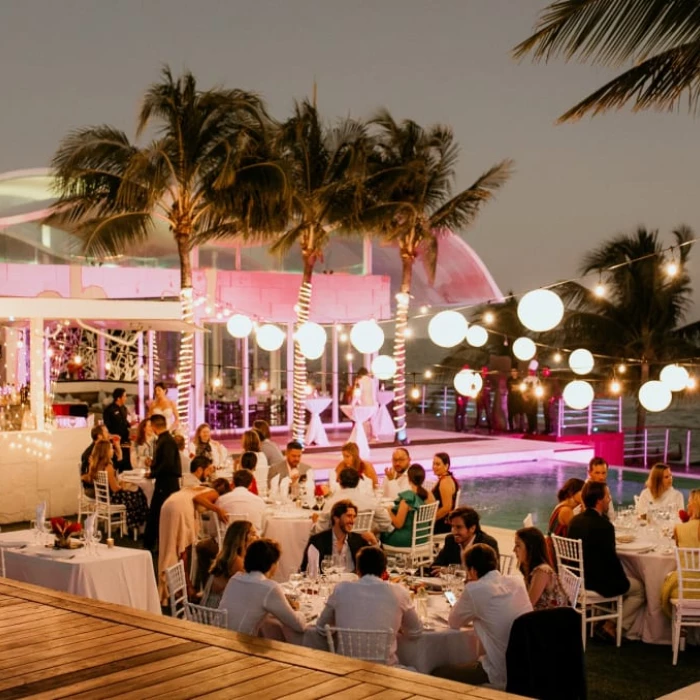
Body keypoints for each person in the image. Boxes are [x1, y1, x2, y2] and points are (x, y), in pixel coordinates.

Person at [432, 543, 533, 689]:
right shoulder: (516, 581)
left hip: (499, 670)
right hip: (527, 667)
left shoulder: (475, 589)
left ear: (472, 570)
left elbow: (454, 622)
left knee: (436, 673)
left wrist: (469, 589)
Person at [315, 546, 423, 665]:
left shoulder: (341, 589)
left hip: (345, 669)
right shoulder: (399, 592)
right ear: (384, 571)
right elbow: (415, 632)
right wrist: (398, 627)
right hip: (386, 671)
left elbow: (321, 628)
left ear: (357, 570)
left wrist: (343, 625)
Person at [568, 481, 645, 639]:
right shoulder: (604, 526)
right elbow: (611, 561)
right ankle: (612, 625)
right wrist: (623, 579)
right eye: (607, 496)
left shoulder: (575, 521)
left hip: (577, 579)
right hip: (596, 582)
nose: (610, 499)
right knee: (639, 590)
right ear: (599, 500)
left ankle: (601, 622)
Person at [157, 476, 230, 602]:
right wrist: (217, 509)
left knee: (169, 547)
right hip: (180, 509)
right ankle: (185, 588)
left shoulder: (196, 487)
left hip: (168, 505)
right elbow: (197, 498)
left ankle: (177, 587)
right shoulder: (213, 493)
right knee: (183, 550)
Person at [218, 538, 306, 639]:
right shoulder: (269, 587)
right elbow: (299, 625)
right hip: (240, 645)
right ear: (272, 564)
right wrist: (300, 612)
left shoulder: (235, 579)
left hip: (218, 637)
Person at [82, 440, 148, 531]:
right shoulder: (108, 466)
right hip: (112, 498)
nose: (113, 450)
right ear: (105, 451)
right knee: (138, 493)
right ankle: (136, 526)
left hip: (103, 497)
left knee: (135, 491)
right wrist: (124, 486)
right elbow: (115, 488)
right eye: (111, 448)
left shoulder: (95, 465)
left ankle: (134, 525)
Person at [313, 467, 393, 535]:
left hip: (337, 548)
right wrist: (371, 530)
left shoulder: (331, 503)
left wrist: (315, 522)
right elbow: (386, 522)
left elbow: (320, 531)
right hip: (363, 546)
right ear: (358, 482)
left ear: (339, 481)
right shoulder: (369, 500)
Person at [143, 413, 182, 551]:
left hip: (167, 483)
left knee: (157, 512)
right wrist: (153, 465)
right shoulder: (166, 441)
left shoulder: (166, 441)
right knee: (158, 512)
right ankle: (155, 542)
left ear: (154, 426)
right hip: (165, 481)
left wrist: (153, 472)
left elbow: (167, 464)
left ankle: (152, 543)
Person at [201, 520, 257, 608]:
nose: (257, 537)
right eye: (253, 534)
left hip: (217, 607)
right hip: (217, 614)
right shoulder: (237, 562)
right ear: (242, 539)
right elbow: (251, 589)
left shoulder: (229, 556)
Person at [300, 500, 366, 574]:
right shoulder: (317, 541)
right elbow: (305, 570)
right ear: (336, 518)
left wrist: (375, 542)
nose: (352, 521)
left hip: (353, 584)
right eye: (349, 516)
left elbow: (375, 565)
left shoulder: (359, 540)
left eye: (354, 517)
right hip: (327, 584)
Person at [513, 527, 569, 610]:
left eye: (518, 545)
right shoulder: (527, 567)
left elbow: (528, 604)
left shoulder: (542, 571)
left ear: (530, 548)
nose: (514, 550)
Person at [381, 464, 434, 548]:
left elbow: (398, 524)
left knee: (380, 535)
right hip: (423, 538)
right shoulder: (429, 495)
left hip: (407, 540)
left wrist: (389, 511)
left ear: (408, 478)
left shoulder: (408, 498)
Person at [432, 507, 500, 570]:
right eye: (452, 526)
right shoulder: (450, 540)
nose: (454, 531)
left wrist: (452, 572)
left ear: (472, 528)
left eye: (459, 527)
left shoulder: (487, 543)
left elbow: (491, 576)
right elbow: (434, 567)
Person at [102, 387, 131, 471]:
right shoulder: (109, 410)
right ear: (118, 398)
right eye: (124, 396)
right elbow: (107, 426)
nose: (126, 398)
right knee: (116, 462)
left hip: (125, 440)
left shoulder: (124, 409)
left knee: (125, 461)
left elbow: (125, 422)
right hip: (114, 441)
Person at [431, 452, 459, 534]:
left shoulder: (445, 482)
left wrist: (430, 519)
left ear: (446, 466)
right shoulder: (445, 478)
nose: (434, 467)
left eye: (438, 464)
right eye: (433, 464)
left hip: (442, 524)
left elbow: (447, 507)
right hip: (442, 521)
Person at [506, 367, 524, 432]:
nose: (513, 373)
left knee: (520, 414)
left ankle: (521, 428)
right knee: (510, 414)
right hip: (511, 398)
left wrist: (517, 388)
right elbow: (510, 388)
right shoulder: (509, 380)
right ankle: (511, 428)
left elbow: (522, 388)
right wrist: (516, 388)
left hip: (519, 398)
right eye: (512, 371)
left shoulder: (520, 380)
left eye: (514, 371)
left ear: (517, 372)